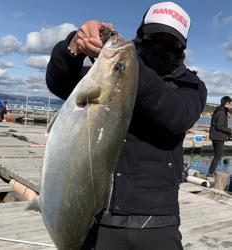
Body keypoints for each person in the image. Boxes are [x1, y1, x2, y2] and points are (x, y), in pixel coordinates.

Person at [46, 2, 207, 249]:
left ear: (182, 47)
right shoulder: (108, 73)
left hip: (159, 221)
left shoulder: (191, 86)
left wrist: (125, 62)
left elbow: (177, 117)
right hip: (98, 216)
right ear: (141, 35)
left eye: (170, 41)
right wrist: (74, 45)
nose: (161, 44)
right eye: (154, 36)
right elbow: (60, 82)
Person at [208, 96, 232, 177]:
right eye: (230, 103)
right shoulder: (222, 112)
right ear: (226, 103)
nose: (231, 105)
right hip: (218, 137)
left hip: (216, 136)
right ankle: (210, 173)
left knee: (217, 155)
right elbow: (219, 126)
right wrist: (230, 130)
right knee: (218, 155)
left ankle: (211, 172)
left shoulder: (220, 110)